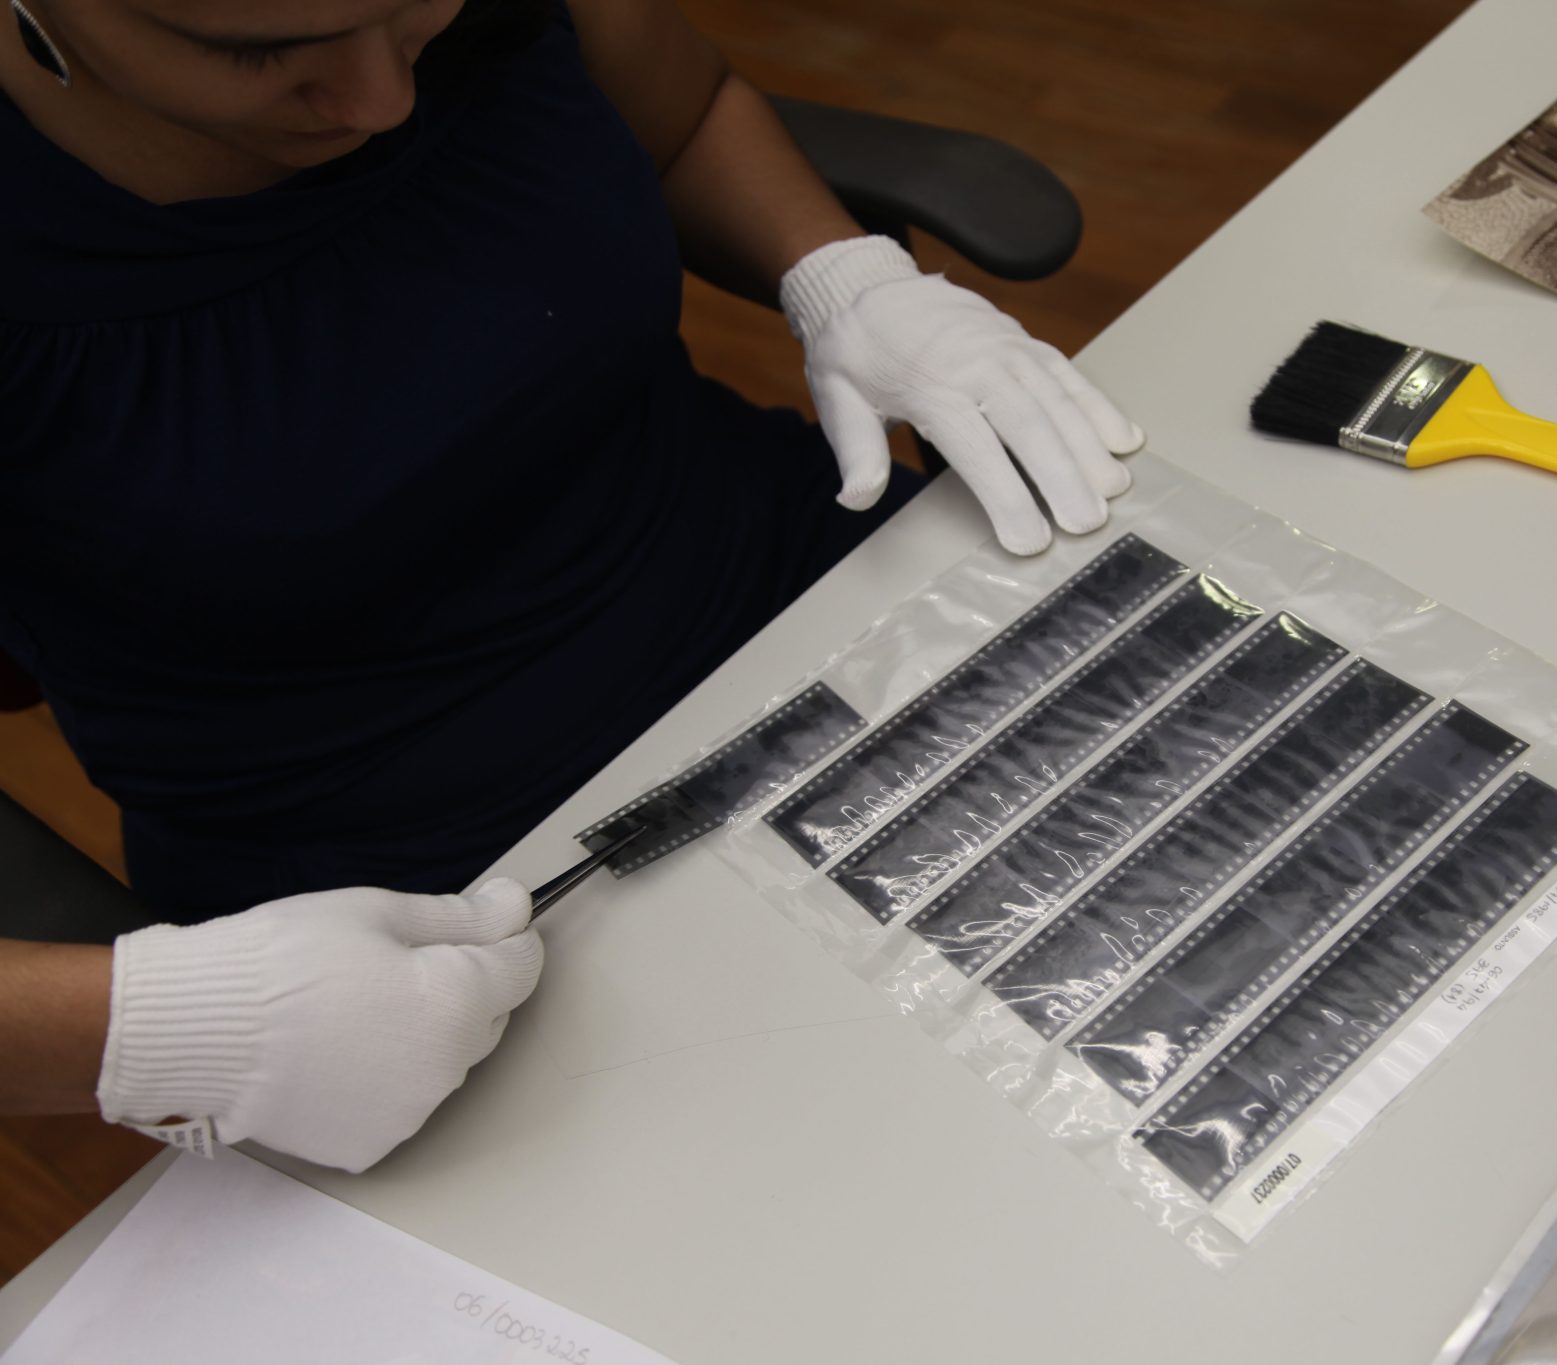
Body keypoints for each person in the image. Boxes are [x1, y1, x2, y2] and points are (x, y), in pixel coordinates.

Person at [0, 0, 1141, 1168]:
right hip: (432, 907)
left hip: (807, 600)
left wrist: (840, 273)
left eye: (414, 8)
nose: (381, 100)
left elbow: (687, 114)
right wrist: (151, 1027)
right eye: (257, 50)